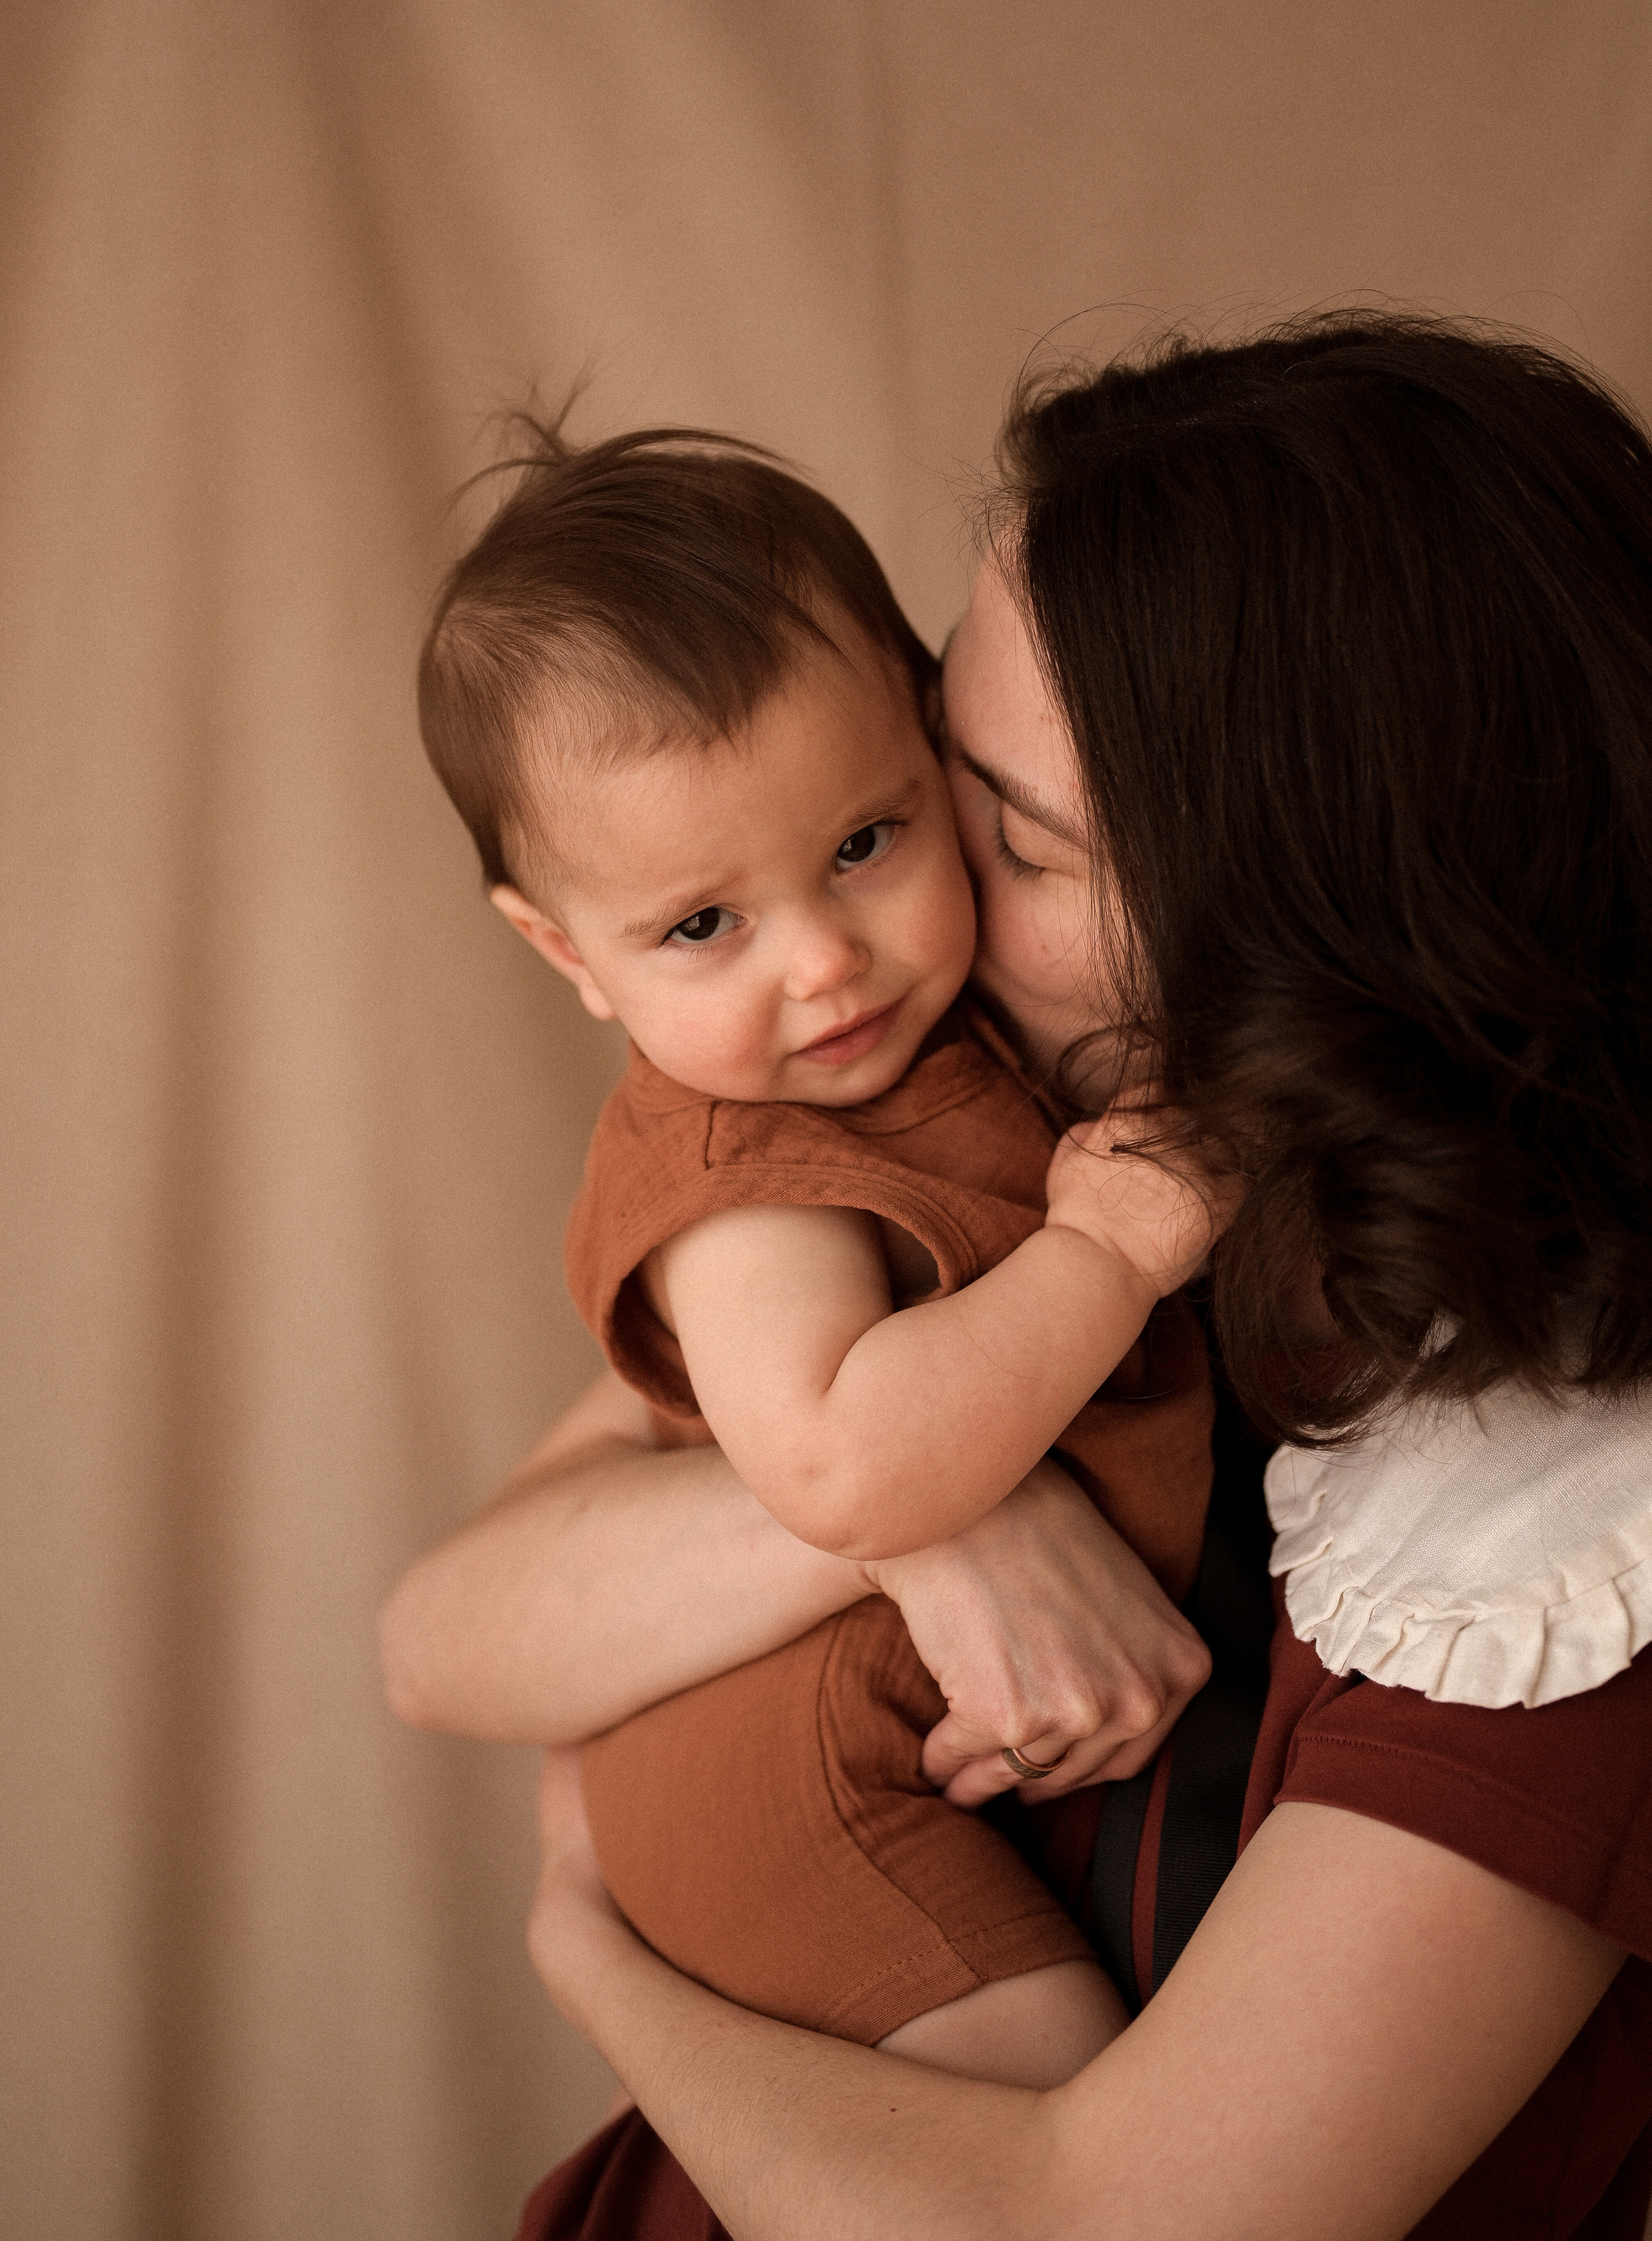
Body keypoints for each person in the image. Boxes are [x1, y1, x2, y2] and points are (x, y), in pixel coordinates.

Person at [383, 313, 1652, 2239]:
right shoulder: (952, 1148)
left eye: (990, 843)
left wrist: (594, 1960)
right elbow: (453, 1626)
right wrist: (919, 1514)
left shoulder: (1553, 1547)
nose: (888, 947)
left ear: (1305, 912)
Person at [413, 428, 1218, 2083]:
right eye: (704, 926)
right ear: (567, 952)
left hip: (898, 1756)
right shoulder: (743, 1180)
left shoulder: (940, 1049)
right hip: (793, 1799)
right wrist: (1109, 1250)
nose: (827, 962)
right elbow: (841, 1461)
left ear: (930, 745)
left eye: (865, 843)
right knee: (1064, 2142)